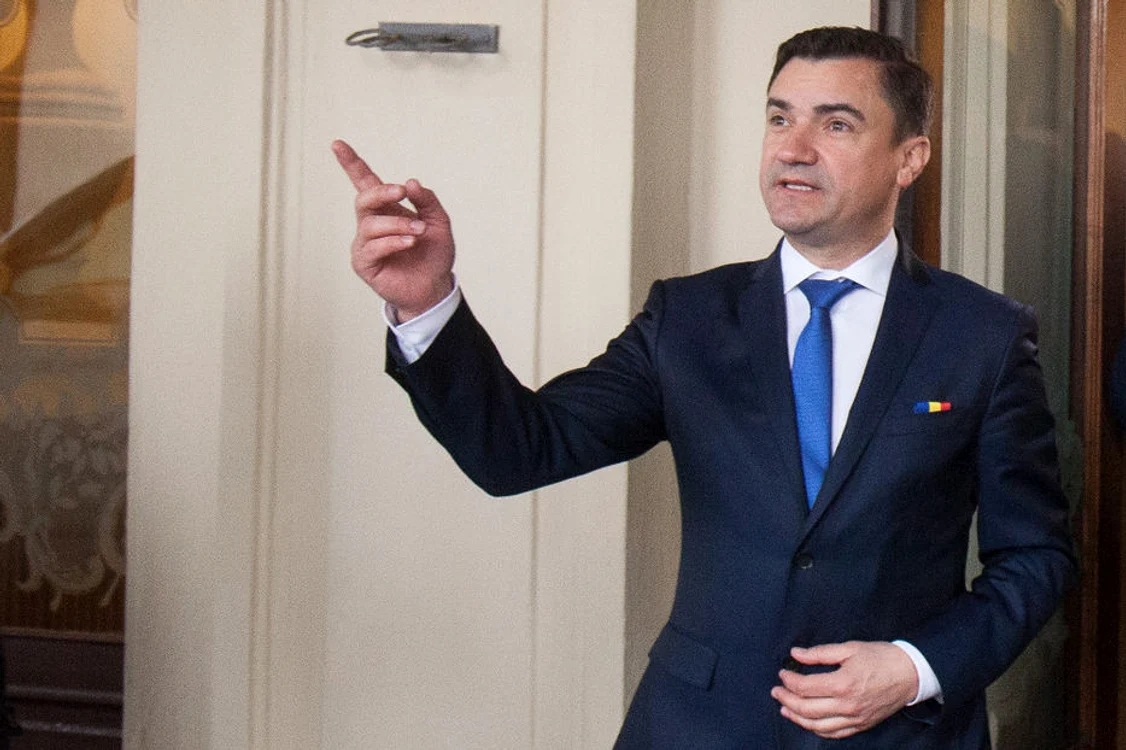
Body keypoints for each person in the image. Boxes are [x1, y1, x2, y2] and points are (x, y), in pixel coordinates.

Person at [333, 26, 1075, 749]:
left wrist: (915, 668)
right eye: (779, 118)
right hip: (700, 724)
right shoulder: (686, 319)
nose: (793, 148)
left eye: (836, 124)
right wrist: (426, 304)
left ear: (909, 157)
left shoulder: (983, 334)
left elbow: (1035, 557)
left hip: (901, 732)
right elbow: (517, 451)